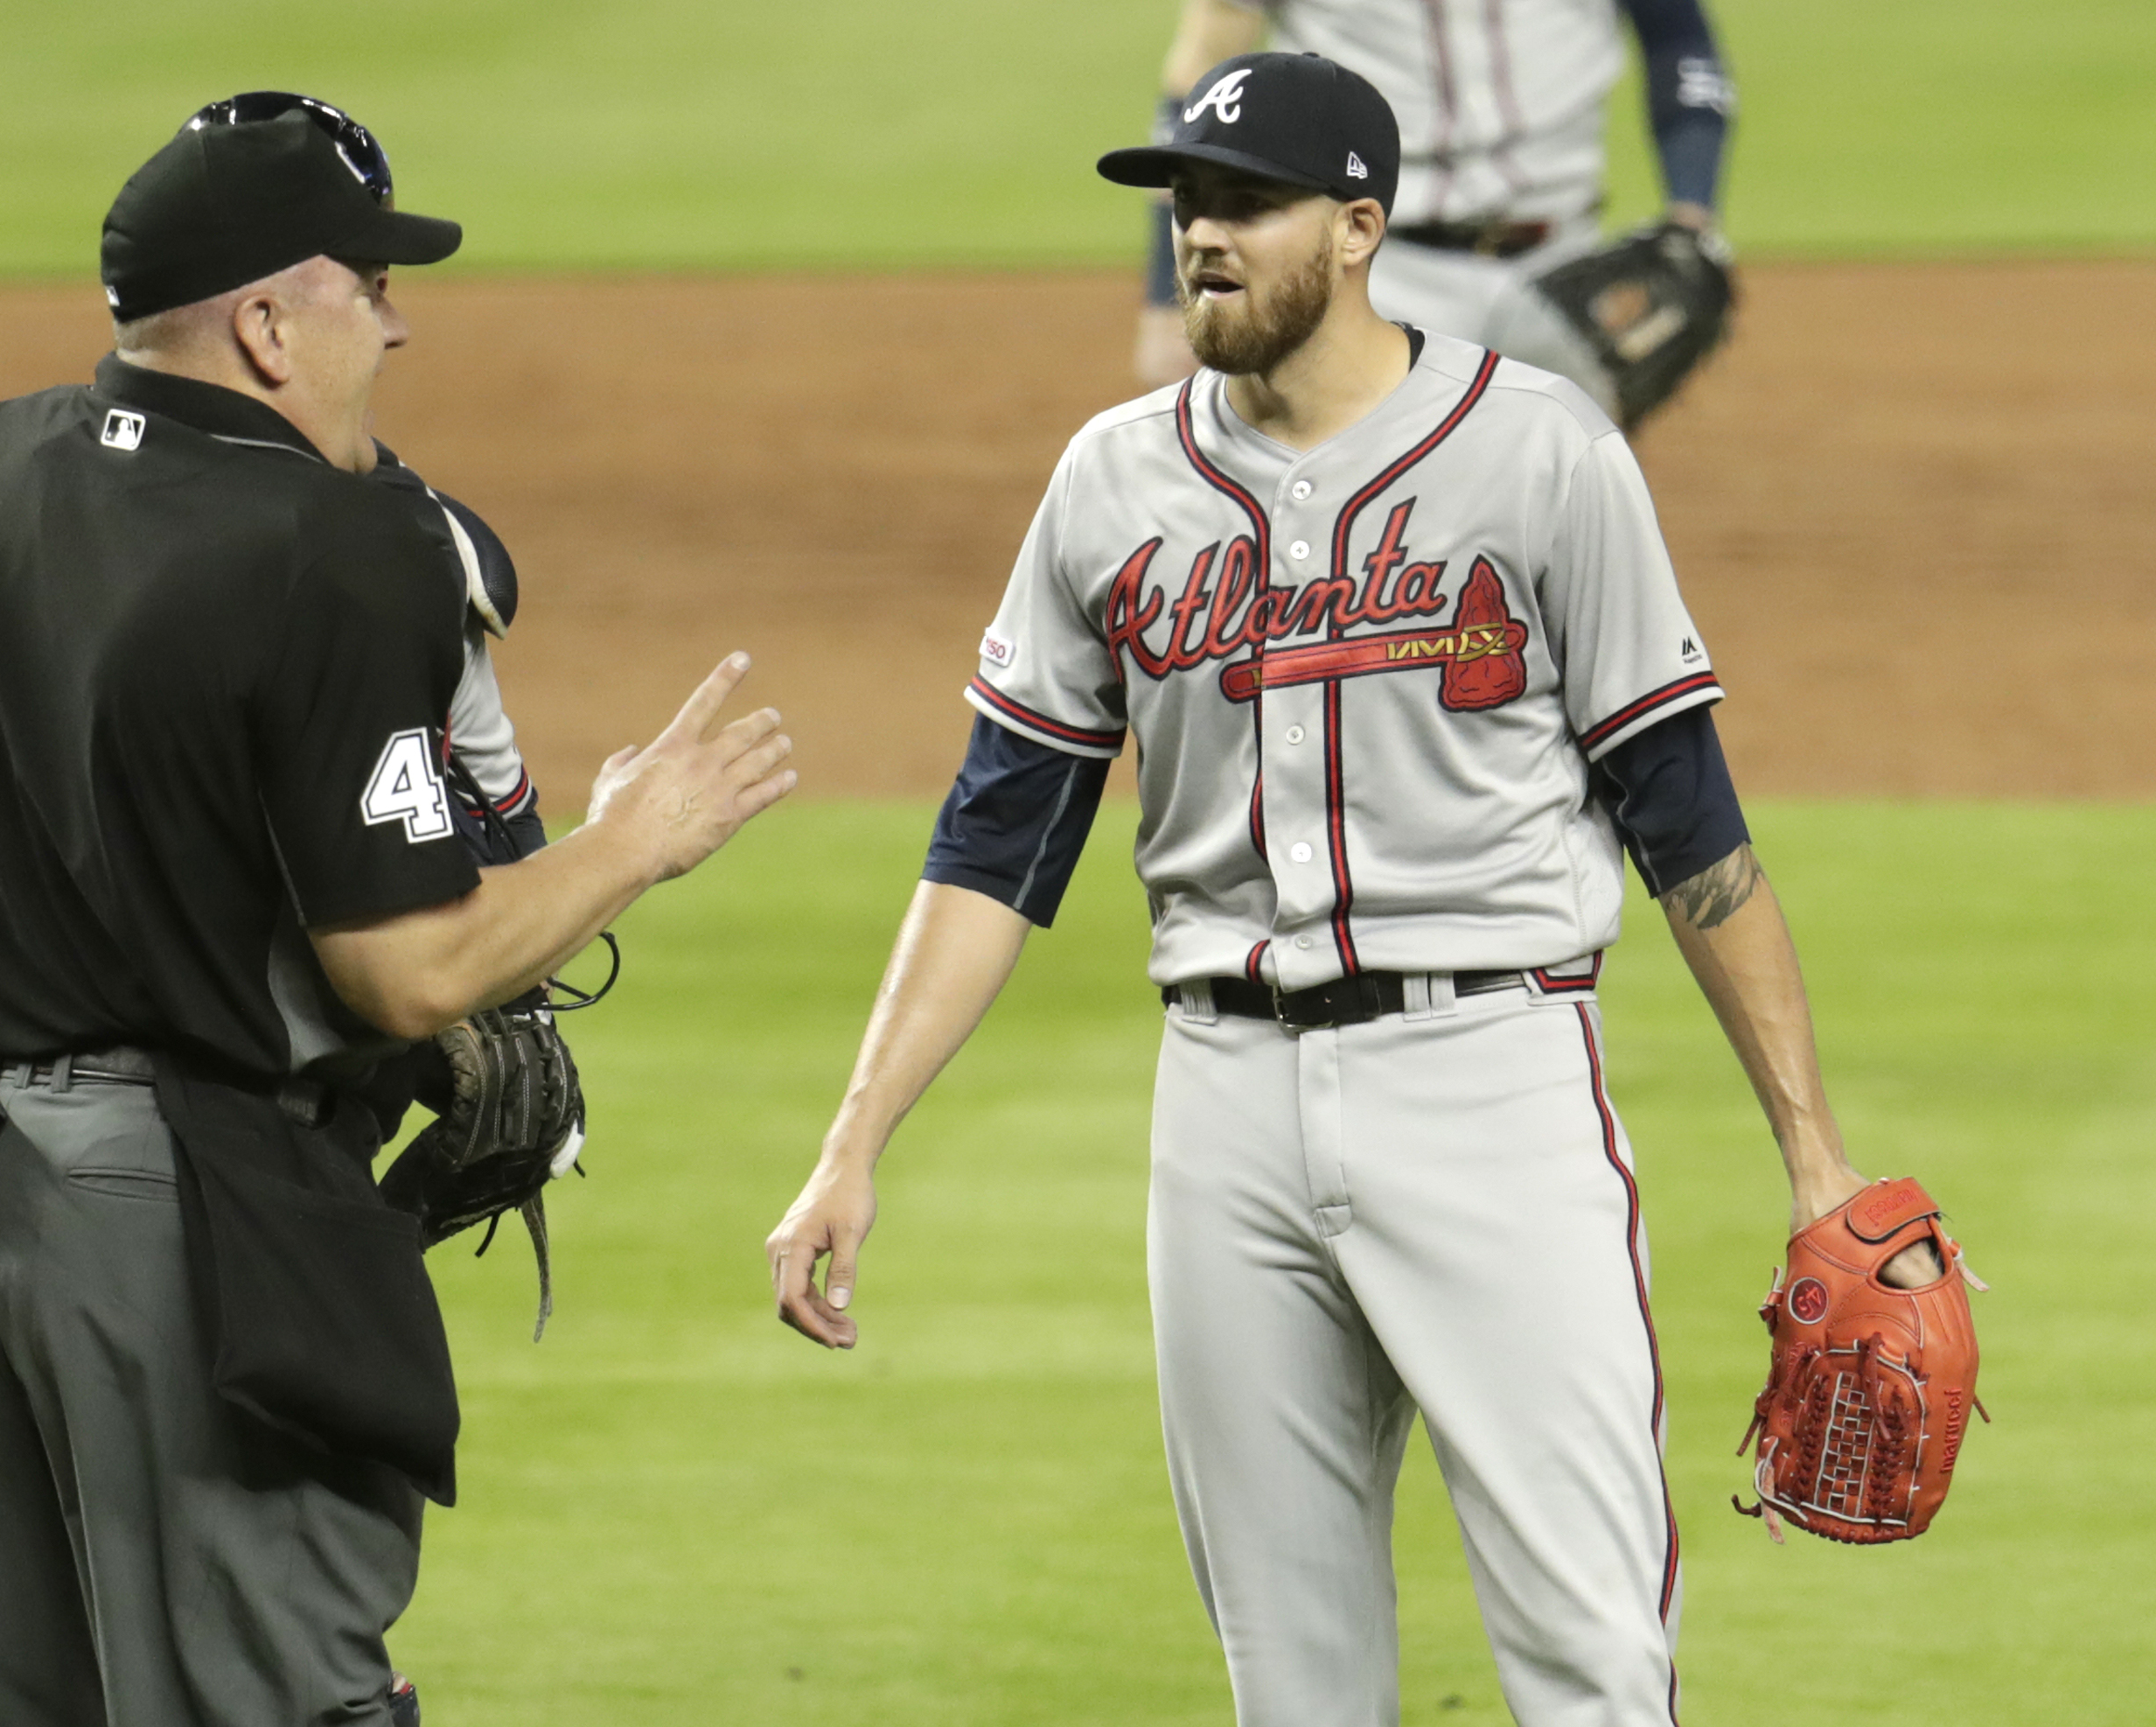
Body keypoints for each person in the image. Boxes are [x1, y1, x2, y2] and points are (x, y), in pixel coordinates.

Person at [766, 53, 1932, 1725]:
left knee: (1595, 1659)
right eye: (1186, 206)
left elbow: (1690, 823)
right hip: (1222, 1104)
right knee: (1293, 1686)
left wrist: (1814, 1155)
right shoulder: (1108, 481)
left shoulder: (1541, 455)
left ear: (1362, 227)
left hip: (1491, 1084)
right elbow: (994, 839)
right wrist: (850, 1140)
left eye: (1247, 203)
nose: (1205, 237)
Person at [0, 97, 793, 1726]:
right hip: (191, 1223)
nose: (399, 317)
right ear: (270, 323)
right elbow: (413, 968)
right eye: (369, 283)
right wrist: (637, 835)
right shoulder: (340, 546)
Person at [1132, 0, 1736, 413]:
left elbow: (1682, 43)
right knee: (1358, 538)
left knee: (1567, 524)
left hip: (1567, 263)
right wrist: (1170, 292)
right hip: (1371, 267)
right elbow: (1201, 82)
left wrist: (1692, 216)